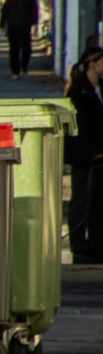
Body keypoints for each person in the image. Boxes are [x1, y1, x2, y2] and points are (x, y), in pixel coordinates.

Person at [66, 44, 103, 263]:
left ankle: (97, 244)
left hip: (99, 155)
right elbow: (81, 127)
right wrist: (93, 152)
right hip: (85, 156)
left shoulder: (99, 88)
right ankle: (79, 245)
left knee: (98, 203)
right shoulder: (79, 90)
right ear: (93, 63)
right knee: (81, 200)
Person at [1, 0, 39, 78]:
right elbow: (5, 11)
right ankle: (15, 71)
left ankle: (24, 66)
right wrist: (2, 25)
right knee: (14, 50)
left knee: (27, 49)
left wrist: (34, 24)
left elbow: (34, 11)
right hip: (13, 27)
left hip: (25, 27)